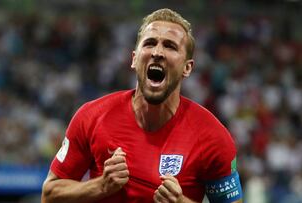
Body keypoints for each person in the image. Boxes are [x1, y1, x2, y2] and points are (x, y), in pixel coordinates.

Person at [41, 8, 243, 203]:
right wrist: (100, 186)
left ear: (187, 67)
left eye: (170, 46)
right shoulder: (92, 116)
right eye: (150, 43)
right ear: (134, 59)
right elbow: (49, 195)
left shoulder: (213, 138)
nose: (157, 52)